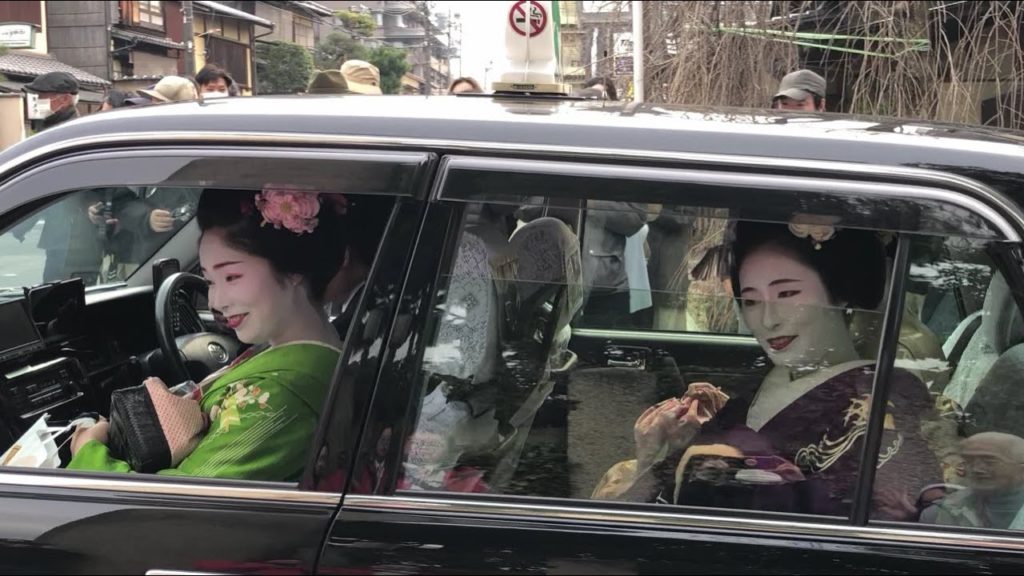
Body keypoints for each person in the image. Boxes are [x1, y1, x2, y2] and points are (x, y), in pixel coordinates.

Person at [593, 220, 940, 520]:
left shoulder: (885, 402)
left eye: (787, 293)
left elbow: (878, 519)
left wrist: (720, 461)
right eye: (751, 300)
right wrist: (666, 454)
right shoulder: (767, 383)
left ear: (838, 292)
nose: (768, 319)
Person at [67, 187, 350, 481]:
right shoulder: (302, 351)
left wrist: (88, 451)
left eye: (232, 277)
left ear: (292, 268)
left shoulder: (284, 395)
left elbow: (164, 511)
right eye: (210, 281)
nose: (216, 302)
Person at [921, 432, 1024, 529]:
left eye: (989, 462)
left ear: (1021, 469)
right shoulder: (940, 512)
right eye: (969, 461)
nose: (976, 469)